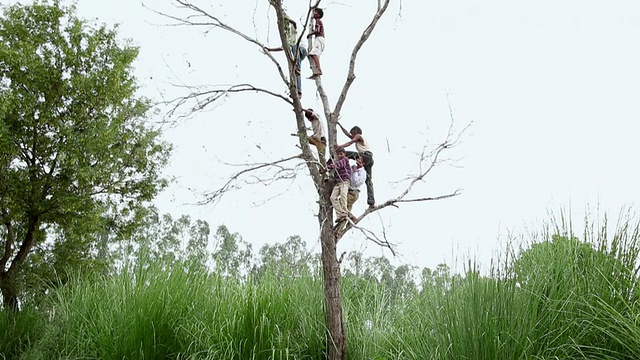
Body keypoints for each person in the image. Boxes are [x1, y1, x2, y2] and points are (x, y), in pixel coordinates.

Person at [265, 17, 307, 98]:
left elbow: (294, 23)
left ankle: (297, 72)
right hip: (296, 53)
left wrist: (286, 19)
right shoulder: (286, 40)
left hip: (300, 49)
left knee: (293, 47)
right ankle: (298, 91)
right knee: (294, 71)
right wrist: (270, 50)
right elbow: (281, 48)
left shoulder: (292, 31)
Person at [336, 123, 375, 209]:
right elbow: (347, 134)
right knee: (368, 180)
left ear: (356, 132)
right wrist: (339, 124)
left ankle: (335, 162)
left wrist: (339, 147)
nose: (352, 136)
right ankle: (371, 202)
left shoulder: (358, 136)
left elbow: (350, 142)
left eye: (353, 134)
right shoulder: (357, 138)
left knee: (346, 153)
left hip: (365, 156)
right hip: (368, 158)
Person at [326, 147, 351, 229]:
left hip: (344, 181)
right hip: (338, 182)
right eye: (338, 154)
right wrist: (331, 157)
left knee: (343, 195)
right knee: (333, 198)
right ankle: (340, 214)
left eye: (341, 154)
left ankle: (344, 211)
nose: (340, 155)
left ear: (344, 154)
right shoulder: (336, 161)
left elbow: (339, 165)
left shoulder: (345, 159)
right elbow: (328, 163)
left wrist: (330, 166)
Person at [306, 7, 324, 79]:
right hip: (320, 39)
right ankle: (316, 71)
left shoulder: (318, 21)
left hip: (319, 38)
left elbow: (318, 30)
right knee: (314, 55)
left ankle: (319, 70)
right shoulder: (317, 21)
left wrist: (310, 34)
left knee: (313, 54)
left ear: (319, 15)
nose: (313, 13)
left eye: (315, 12)